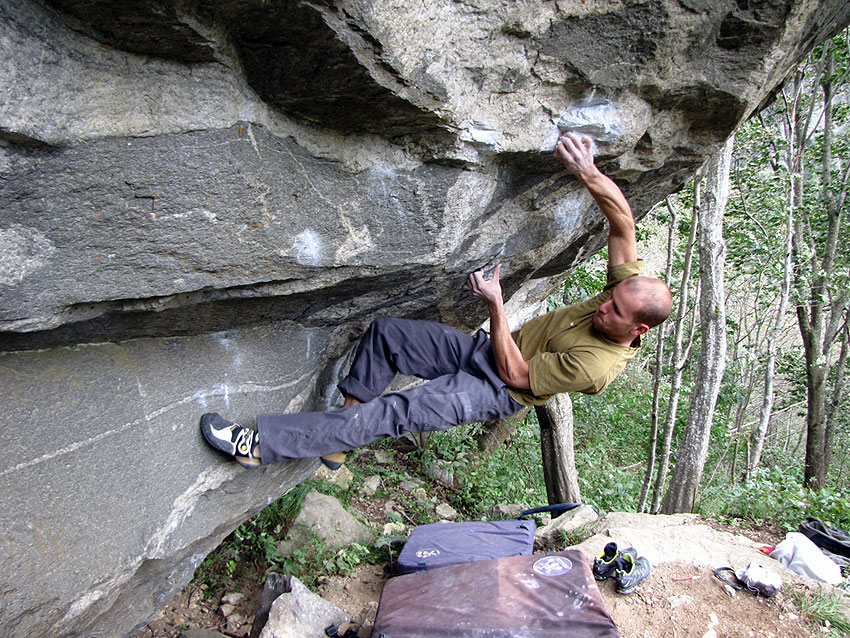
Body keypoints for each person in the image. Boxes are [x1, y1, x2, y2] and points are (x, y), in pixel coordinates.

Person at [200, 132, 673, 469]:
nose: (604, 305)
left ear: (638, 330)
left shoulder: (597, 365)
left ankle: (256, 446)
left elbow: (515, 375)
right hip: (484, 352)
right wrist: (588, 171)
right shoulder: (624, 296)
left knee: (388, 414)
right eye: (610, 295)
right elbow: (622, 224)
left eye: (614, 311)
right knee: (389, 335)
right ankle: (339, 438)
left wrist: (495, 302)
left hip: (495, 389)